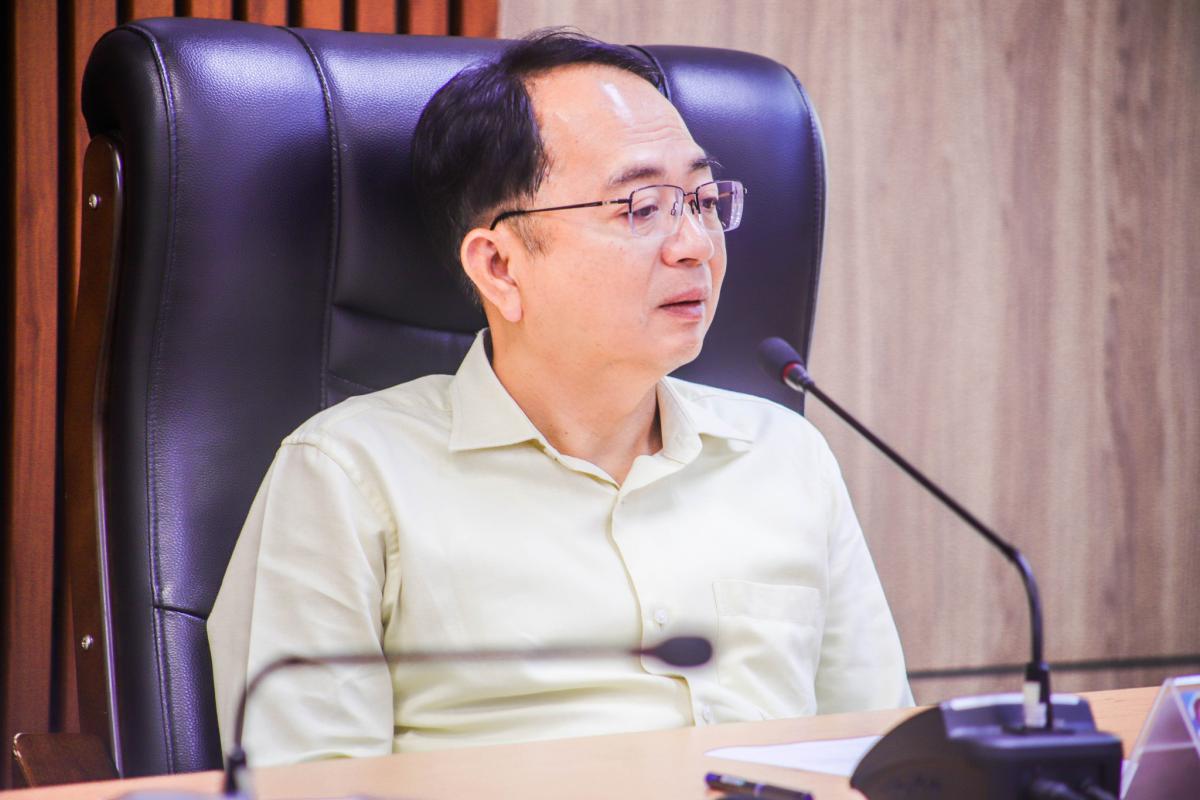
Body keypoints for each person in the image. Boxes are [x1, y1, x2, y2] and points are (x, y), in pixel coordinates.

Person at [208, 29, 912, 767]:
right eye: (641, 206)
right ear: (500, 266)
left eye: (703, 200)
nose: (697, 245)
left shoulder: (785, 456)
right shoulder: (348, 476)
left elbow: (885, 760)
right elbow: (307, 784)